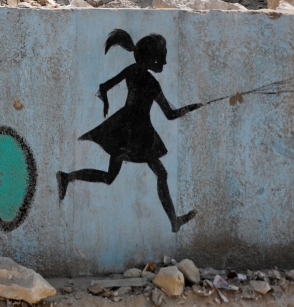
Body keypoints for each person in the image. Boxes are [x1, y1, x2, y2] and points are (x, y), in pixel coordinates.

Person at [57, 29, 202, 232]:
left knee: (115, 177)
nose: (165, 63)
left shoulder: (132, 71)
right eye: (162, 58)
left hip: (123, 127)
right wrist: (191, 108)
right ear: (152, 58)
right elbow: (169, 114)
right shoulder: (152, 83)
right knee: (160, 173)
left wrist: (105, 103)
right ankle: (174, 221)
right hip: (139, 134)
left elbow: (104, 86)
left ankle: (67, 177)